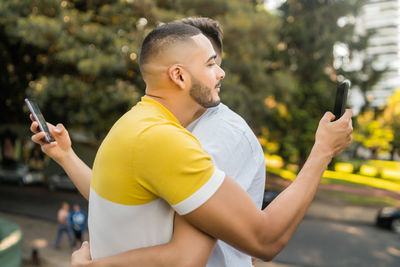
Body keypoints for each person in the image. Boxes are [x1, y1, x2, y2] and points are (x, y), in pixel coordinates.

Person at [30, 21, 352, 265]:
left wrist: (66, 156)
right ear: (180, 76)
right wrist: (323, 150)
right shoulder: (164, 140)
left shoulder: (130, 125)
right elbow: (262, 240)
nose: (222, 72)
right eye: (211, 64)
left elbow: (124, 203)